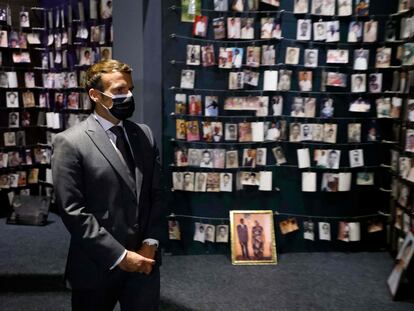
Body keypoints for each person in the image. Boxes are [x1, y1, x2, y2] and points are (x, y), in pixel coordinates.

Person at [51, 59, 162, 310]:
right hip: (96, 265)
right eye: (120, 90)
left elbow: (158, 193)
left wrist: (151, 243)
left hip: (145, 262)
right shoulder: (70, 142)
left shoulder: (144, 134)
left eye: (131, 89)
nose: (129, 95)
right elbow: (72, 211)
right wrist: (120, 256)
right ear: (95, 95)